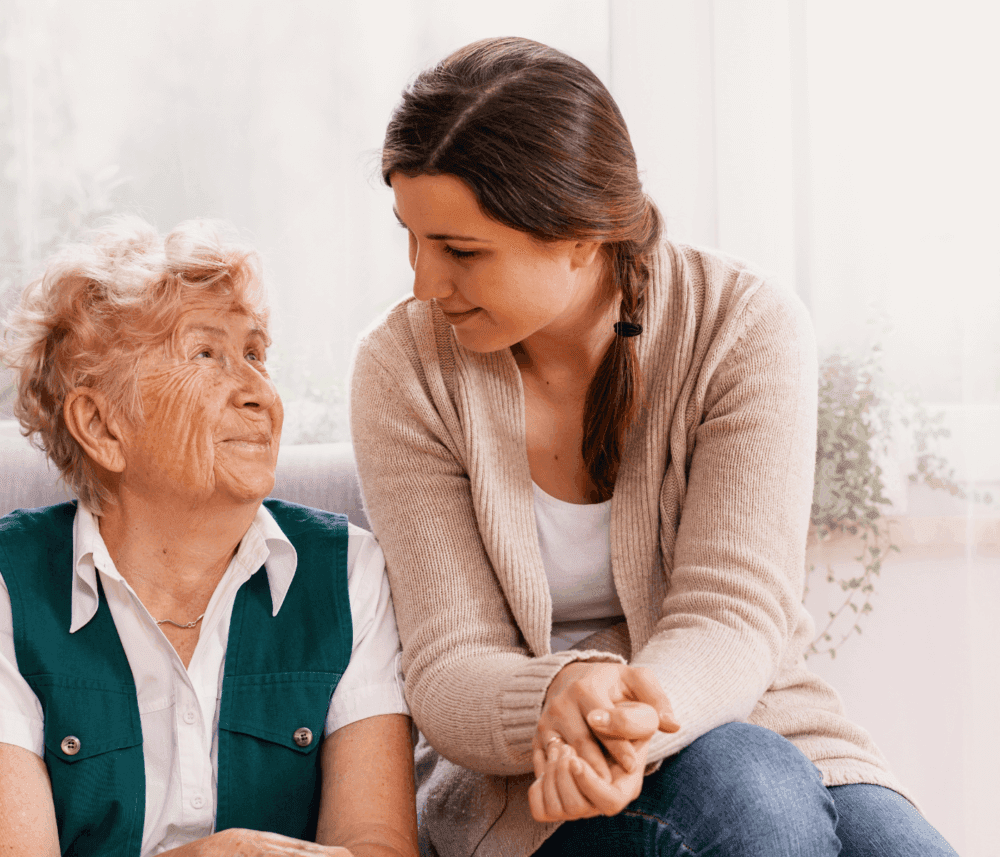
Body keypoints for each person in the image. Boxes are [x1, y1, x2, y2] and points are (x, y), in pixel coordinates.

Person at [349, 36, 958, 857]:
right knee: (751, 790)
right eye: (411, 237)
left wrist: (616, 718)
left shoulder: (742, 327)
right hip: (530, 785)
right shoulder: (403, 367)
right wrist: (560, 695)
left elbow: (733, 615)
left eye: (461, 251)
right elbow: (450, 665)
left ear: (580, 236)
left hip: (749, 715)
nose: (423, 281)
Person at [0, 218, 418, 857]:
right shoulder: (9, 585)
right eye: (205, 354)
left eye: (255, 353)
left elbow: (377, 847)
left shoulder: (348, 572)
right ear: (101, 424)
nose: (258, 393)